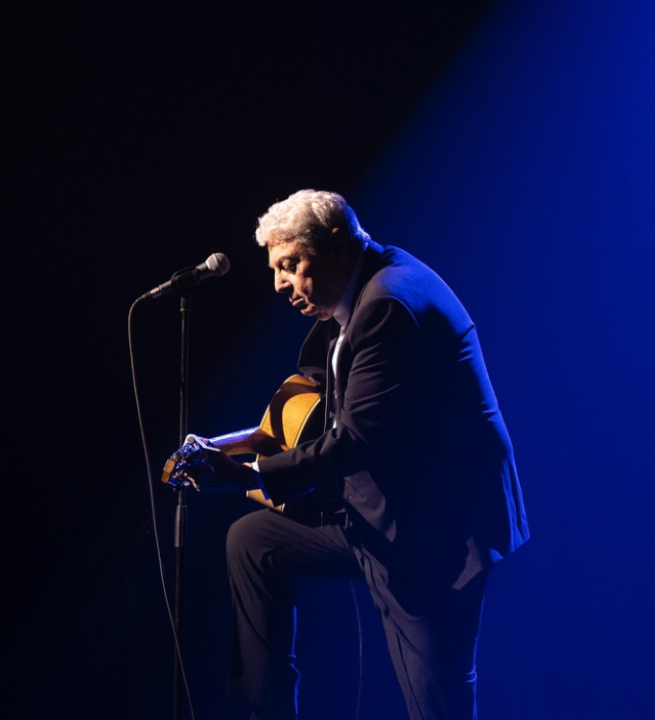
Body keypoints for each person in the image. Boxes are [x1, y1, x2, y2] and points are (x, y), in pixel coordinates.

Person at [175, 189, 529, 720]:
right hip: (381, 515)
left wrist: (244, 475)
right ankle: (268, 710)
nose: (279, 284)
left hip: (434, 533)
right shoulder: (351, 297)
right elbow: (308, 402)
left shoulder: (387, 303)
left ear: (336, 244)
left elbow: (354, 441)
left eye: (290, 264)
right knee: (253, 540)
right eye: (276, 269)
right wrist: (222, 446)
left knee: (437, 702)